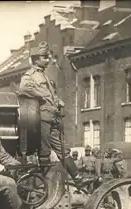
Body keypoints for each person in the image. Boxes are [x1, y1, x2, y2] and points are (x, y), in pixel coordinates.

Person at [18, 41, 93, 192]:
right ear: (35, 59)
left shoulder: (45, 76)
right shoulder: (30, 75)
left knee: (63, 150)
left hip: (52, 118)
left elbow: (52, 95)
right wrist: (40, 96)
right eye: (44, 57)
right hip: (41, 119)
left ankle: (77, 179)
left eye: (48, 57)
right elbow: (24, 89)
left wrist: (58, 101)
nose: (48, 59)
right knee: (44, 151)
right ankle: (43, 185)